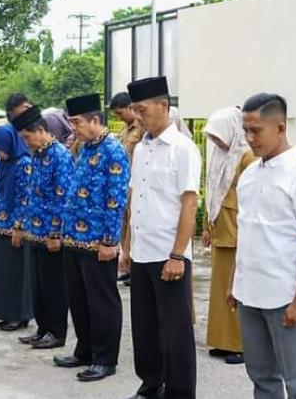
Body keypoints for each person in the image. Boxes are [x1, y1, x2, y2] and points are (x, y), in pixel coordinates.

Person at [232, 93, 296, 399]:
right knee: (261, 376)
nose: (249, 138)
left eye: (256, 131)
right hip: (249, 294)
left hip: (285, 295)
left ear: (281, 128)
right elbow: (245, 234)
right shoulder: (249, 174)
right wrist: (236, 283)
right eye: (245, 130)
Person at [122, 76, 200, 399]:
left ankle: (180, 391)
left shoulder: (182, 149)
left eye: (142, 110)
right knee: (144, 327)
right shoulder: (141, 148)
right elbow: (134, 198)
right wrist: (126, 248)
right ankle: (151, 383)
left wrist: (177, 255)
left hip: (169, 255)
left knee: (176, 331)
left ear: (163, 105)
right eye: (135, 111)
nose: (137, 117)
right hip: (141, 252)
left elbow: (189, 202)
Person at [53, 93, 130, 383]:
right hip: (73, 237)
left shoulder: (113, 150)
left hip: (98, 239)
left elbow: (116, 199)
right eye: (71, 122)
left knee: (101, 301)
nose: (73, 128)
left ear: (95, 120)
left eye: (77, 122)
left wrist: (111, 241)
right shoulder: (84, 148)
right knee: (79, 299)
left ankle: (104, 358)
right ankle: (84, 350)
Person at [13, 105, 75, 351]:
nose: (26, 143)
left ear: (40, 131)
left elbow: (63, 199)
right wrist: (20, 224)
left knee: (54, 286)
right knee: (38, 284)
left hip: (51, 235)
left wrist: (55, 234)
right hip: (34, 232)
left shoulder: (59, 156)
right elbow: (29, 194)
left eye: (27, 137)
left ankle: (56, 332)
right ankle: (42, 328)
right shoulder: (37, 156)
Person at [201, 106, 257, 365]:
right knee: (220, 290)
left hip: (238, 232)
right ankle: (223, 341)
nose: (216, 141)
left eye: (219, 135)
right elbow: (211, 192)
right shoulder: (220, 156)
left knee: (238, 289)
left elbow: (253, 198)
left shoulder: (246, 157)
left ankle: (241, 344)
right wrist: (207, 226)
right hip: (221, 230)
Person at [0, 123, 35, 332]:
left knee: (16, 274)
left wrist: (18, 226)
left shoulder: (23, 164)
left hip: (14, 228)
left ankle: (18, 315)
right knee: (3, 274)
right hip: (0, 225)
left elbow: (24, 198)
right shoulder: (5, 164)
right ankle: (6, 312)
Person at [111, 92, 143, 286]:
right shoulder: (125, 130)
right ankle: (126, 264)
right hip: (124, 184)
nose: (119, 117)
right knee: (125, 224)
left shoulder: (141, 130)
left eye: (120, 112)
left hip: (137, 182)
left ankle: (133, 265)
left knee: (134, 222)